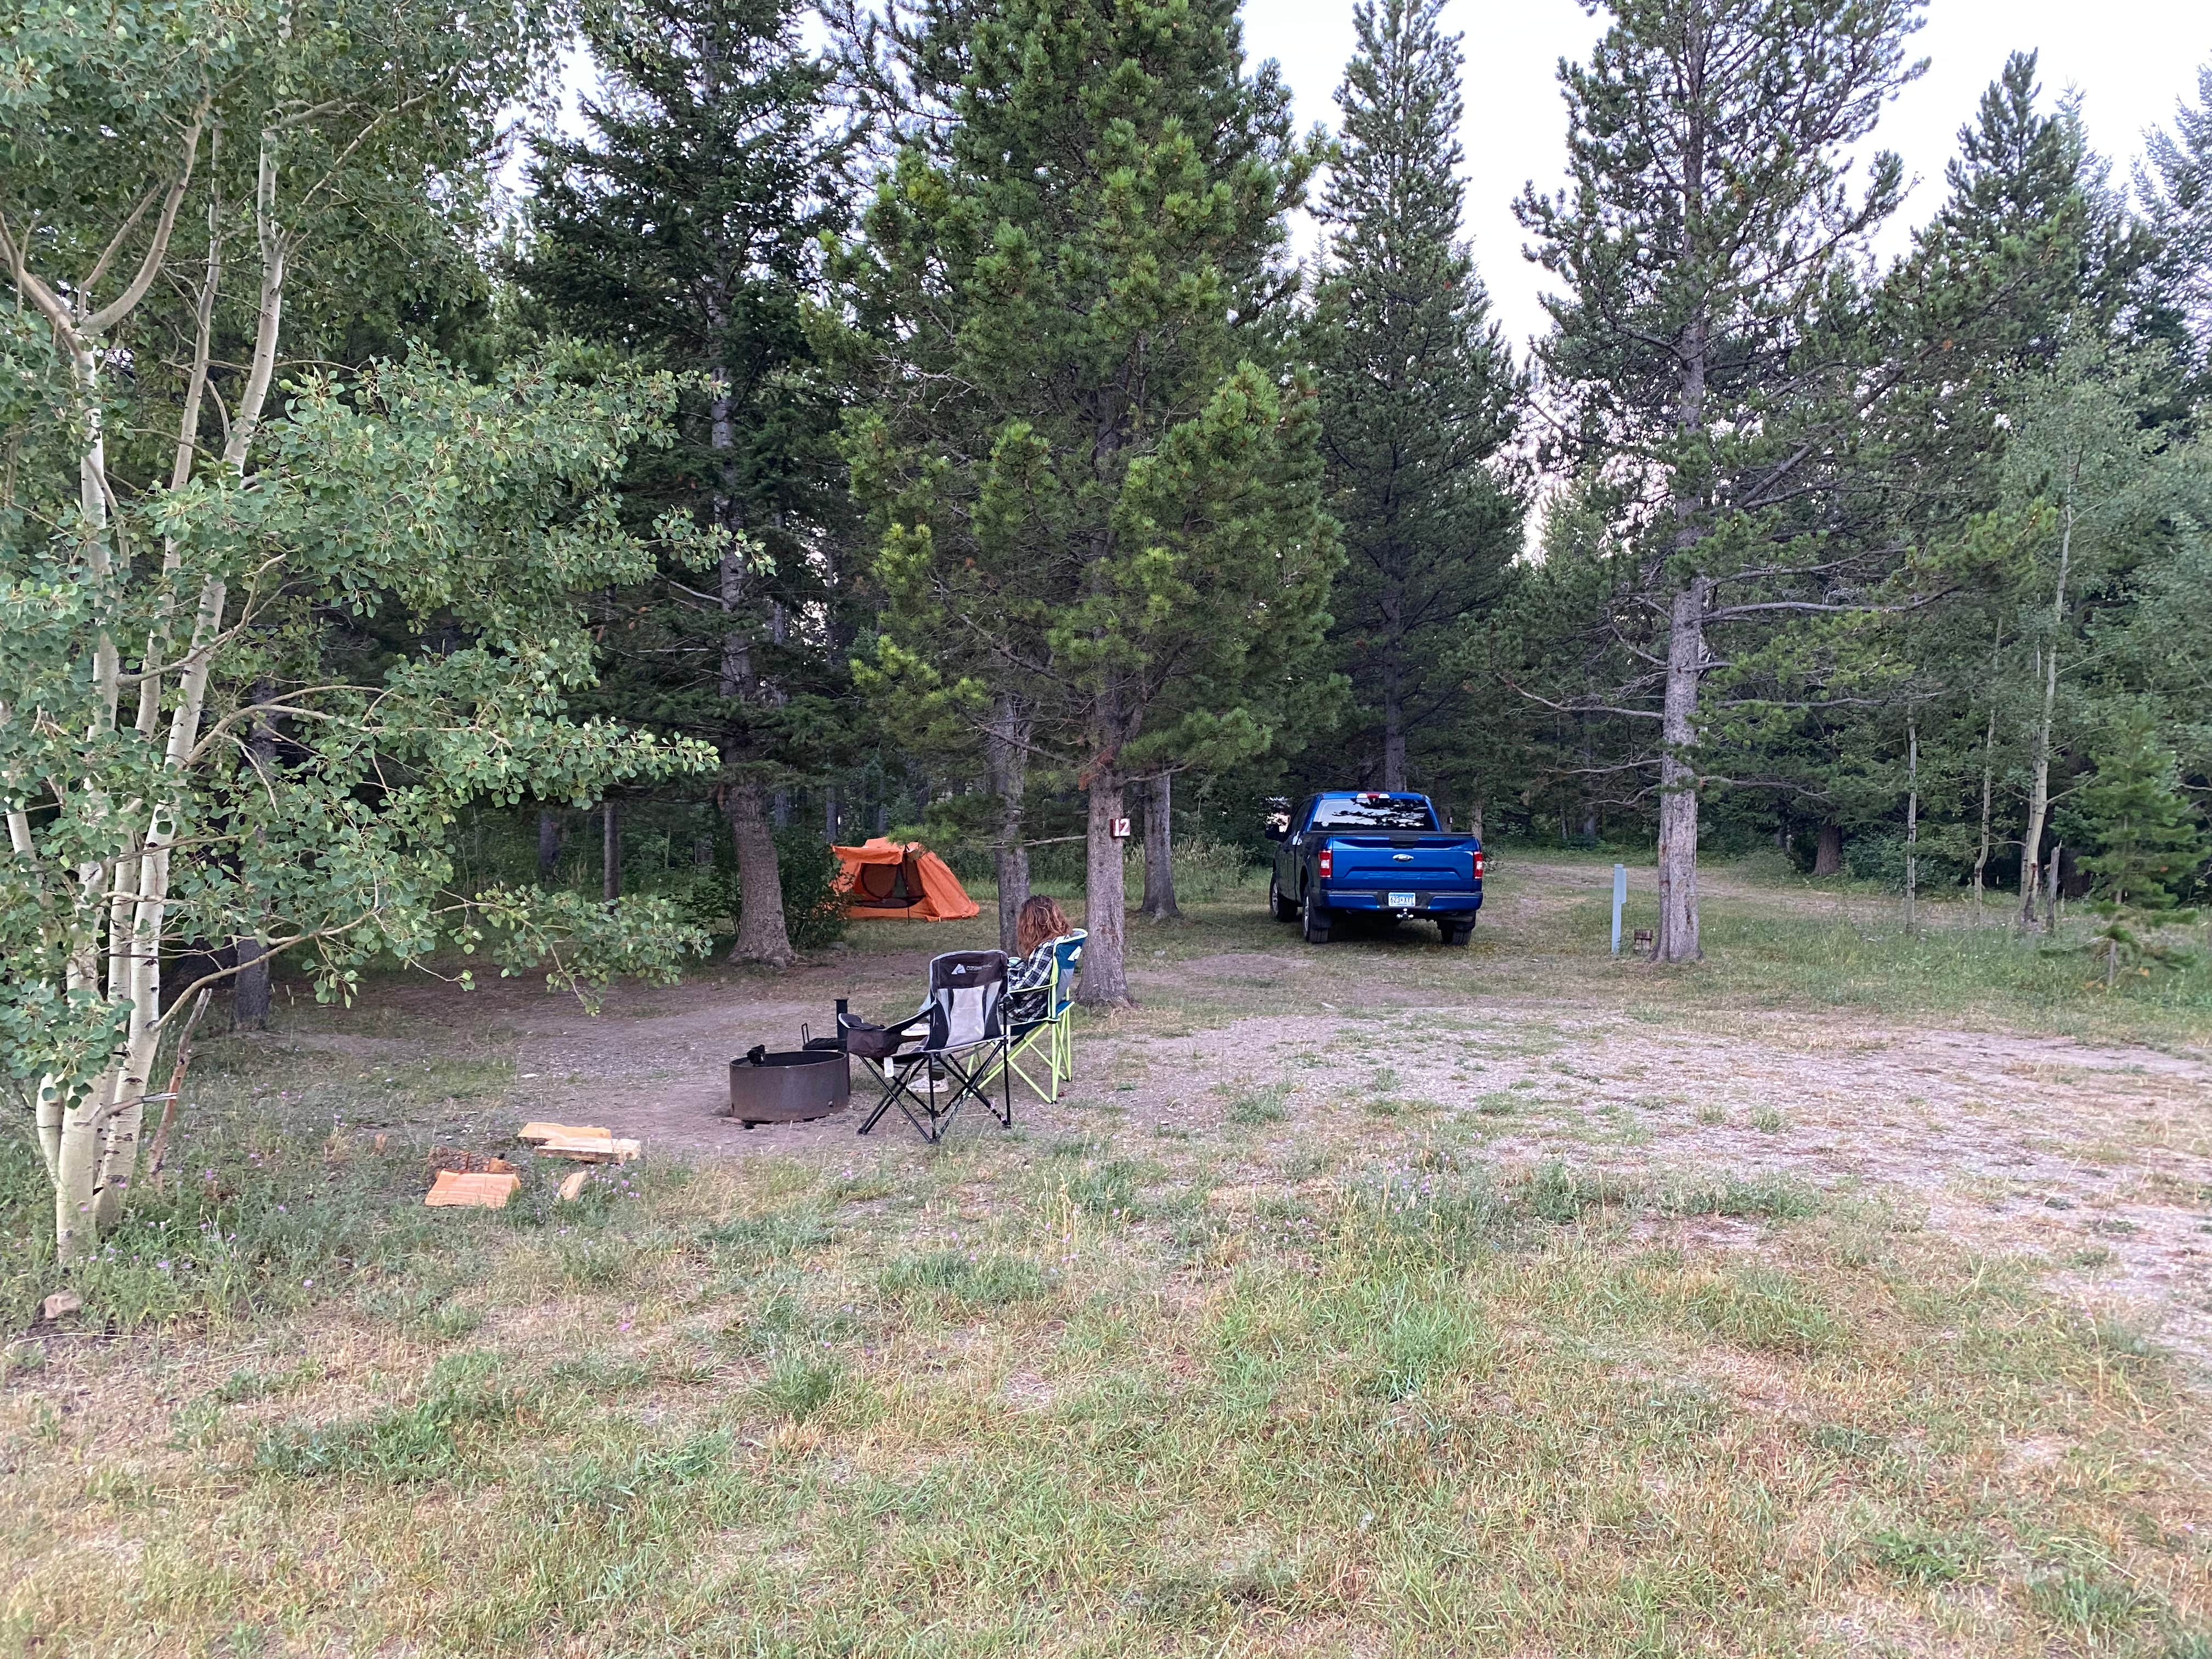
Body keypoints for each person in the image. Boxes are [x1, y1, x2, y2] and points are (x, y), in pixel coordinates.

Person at [1004, 894, 1078, 1022]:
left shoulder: (1048, 949)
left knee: (968, 1001)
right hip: (1034, 1005)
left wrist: (996, 985)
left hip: (1020, 1012)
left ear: (1033, 923)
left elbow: (1027, 986)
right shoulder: (1061, 942)